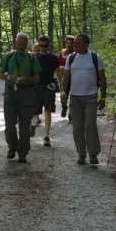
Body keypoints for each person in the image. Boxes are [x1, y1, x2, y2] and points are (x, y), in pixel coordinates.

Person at [60, 33, 107, 165]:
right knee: (77, 127)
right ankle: (81, 153)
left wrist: (103, 97)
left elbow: (102, 79)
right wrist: (63, 90)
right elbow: (65, 77)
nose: (74, 45)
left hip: (91, 96)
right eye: (74, 43)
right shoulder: (71, 58)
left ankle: (93, 154)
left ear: (86, 44)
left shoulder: (95, 58)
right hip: (75, 97)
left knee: (90, 124)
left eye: (77, 43)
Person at [0, 33, 41, 163]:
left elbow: (37, 78)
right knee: (10, 123)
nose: (22, 46)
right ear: (15, 43)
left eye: (24, 44)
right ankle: (12, 147)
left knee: (24, 124)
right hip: (10, 93)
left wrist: (28, 79)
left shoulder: (32, 58)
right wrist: (8, 77)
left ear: (27, 44)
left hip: (26, 93)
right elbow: (0, 74)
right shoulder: (8, 56)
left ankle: (23, 152)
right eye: (20, 43)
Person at [30, 35, 60, 146]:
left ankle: (47, 136)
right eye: (41, 45)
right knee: (35, 112)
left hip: (49, 88)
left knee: (48, 111)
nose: (43, 48)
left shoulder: (53, 58)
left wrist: (62, 89)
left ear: (49, 45)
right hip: (36, 88)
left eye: (45, 45)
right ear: (38, 45)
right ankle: (33, 125)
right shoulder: (34, 57)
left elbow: (59, 73)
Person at [57, 35, 75, 118]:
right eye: (68, 43)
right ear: (65, 43)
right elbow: (58, 65)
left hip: (74, 77)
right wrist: (59, 76)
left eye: (71, 43)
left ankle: (71, 114)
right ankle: (64, 107)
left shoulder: (76, 53)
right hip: (64, 77)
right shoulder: (62, 53)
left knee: (73, 96)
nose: (69, 45)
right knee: (63, 94)